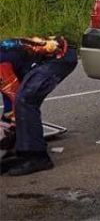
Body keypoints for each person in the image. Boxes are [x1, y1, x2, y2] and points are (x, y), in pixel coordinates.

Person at [0, 36, 77, 176]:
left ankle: (38, 157)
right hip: (49, 56)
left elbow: (13, 98)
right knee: (21, 100)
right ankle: (22, 148)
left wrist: (7, 129)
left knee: (25, 100)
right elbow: (9, 97)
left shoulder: (1, 62)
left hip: (59, 57)